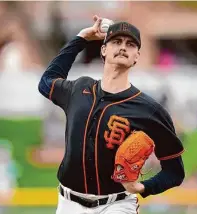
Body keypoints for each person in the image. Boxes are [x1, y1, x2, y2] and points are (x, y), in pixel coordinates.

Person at [38, 15, 185, 214]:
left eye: (131, 44)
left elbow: (174, 171)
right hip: (68, 204)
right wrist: (81, 38)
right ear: (104, 50)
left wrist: (143, 187)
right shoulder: (79, 89)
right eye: (116, 41)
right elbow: (46, 82)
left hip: (117, 205)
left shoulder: (149, 110)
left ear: (136, 57)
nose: (123, 47)